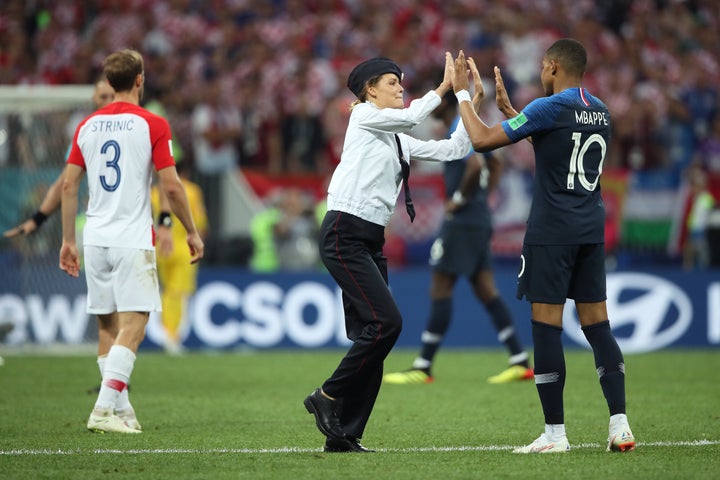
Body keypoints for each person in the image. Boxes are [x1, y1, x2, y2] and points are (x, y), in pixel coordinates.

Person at [450, 40, 635, 453]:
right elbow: (559, 148)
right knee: (598, 327)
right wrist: (515, 115)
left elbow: (480, 141)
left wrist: (462, 93)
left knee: (546, 327)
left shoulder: (548, 106)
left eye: (541, 66)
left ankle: (555, 435)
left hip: (552, 231)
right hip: (590, 229)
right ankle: (620, 426)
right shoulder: (600, 109)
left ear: (552, 66)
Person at [303, 53, 475, 453]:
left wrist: (468, 99)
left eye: (401, 82)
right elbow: (414, 116)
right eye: (392, 82)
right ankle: (326, 396)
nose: (400, 87)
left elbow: (452, 150)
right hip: (344, 232)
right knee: (387, 324)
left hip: (369, 240)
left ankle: (344, 435)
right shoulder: (362, 116)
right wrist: (445, 88)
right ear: (369, 91)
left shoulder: (395, 136)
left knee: (374, 336)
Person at [59, 49, 204, 433]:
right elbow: (170, 185)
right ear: (140, 79)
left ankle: (121, 411)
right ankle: (104, 409)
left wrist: (67, 240)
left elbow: (70, 184)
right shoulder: (152, 124)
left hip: (94, 237)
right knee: (135, 323)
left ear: (109, 83)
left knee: (108, 326)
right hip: (131, 237)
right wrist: (188, 229)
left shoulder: (86, 126)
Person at [383, 90, 533, 386]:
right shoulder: (472, 124)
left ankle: (423, 365)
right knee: (486, 289)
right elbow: (497, 163)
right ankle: (520, 360)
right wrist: (482, 199)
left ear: (448, 104)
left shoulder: (458, 128)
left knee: (440, 285)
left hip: (462, 222)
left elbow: (475, 166)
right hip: (479, 220)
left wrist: (461, 199)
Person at [3, 78, 115, 238]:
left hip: (131, 222)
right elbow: (65, 182)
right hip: (99, 223)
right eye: (103, 97)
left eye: (113, 97)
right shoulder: (85, 135)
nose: (109, 102)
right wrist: (37, 219)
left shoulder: (136, 129)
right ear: (94, 99)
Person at [150, 161, 208, 353]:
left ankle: (168, 333)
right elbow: (200, 222)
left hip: (161, 247)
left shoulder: (154, 193)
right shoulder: (191, 191)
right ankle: (172, 335)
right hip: (184, 249)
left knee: (167, 291)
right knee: (178, 293)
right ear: (186, 172)